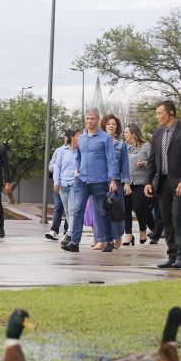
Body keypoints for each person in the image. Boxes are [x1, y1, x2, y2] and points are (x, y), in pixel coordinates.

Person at [144, 100, 181, 268]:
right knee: (166, 219)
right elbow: (152, 160)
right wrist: (148, 181)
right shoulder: (158, 133)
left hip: (180, 182)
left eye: (160, 113)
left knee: (178, 218)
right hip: (162, 182)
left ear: (171, 114)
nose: (157, 116)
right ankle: (172, 255)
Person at [62, 108, 118, 253]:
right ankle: (74, 242)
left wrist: (113, 180)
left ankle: (108, 241)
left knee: (102, 212)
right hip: (82, 181)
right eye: (87, 119)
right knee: (77, 210)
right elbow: (78, 157)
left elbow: (111, 160)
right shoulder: (81, 138)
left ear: (97, 120)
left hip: (99, 181)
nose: (89, 121)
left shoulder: (105, 138)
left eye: (92, 119)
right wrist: (77, 170)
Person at [95, 114, 130, 249]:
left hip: (116, 181)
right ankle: (101, 239)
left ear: (117, 127)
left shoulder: (121, 145)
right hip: (98, 181)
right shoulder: (98, 141)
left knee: (115, 210)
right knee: (99, 211)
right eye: (108, 124)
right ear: (104, 126)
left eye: (114, 124)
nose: (111, 126)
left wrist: (126, 182)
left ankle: (117, 237)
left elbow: (125, 165)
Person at [122, 123, 152, 245]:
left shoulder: (146, 146)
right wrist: (125, 181)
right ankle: (128, 235)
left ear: (133, 134)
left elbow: (153, 162)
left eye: (126, 132)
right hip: (126, 182)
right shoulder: (124, 147)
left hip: (141, 182)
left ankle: (142, 229)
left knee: (139, 207)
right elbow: (121, 165)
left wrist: (144, 163)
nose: (124, 135)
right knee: (126, 209)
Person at [46, 130, 75, 241]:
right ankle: (54, 230)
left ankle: (68, 232)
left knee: (70, 209)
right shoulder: (59, 151)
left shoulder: (78, 150)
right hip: (59, 183)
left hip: (72, 183)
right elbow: (51, 166)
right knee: (58, 207)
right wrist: (59, 166)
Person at [52, 128, 80, 246]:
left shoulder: (81, 151)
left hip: (75, 183)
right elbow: (57, 167)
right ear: (71, 137)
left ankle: (69, 234)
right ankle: (71, 233)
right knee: (68, 211)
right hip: (63, 184)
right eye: (78, 135)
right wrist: (56, 182)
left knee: (72, 210)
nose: (81, 137)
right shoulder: (61, 151)